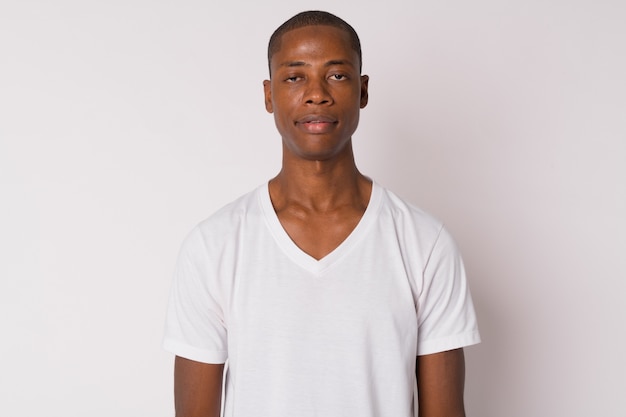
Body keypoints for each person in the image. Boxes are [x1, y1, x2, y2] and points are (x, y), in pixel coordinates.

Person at [163, 10, 480, 417]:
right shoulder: (215, 245)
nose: (317, 94)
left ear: (363, 91)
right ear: (268, 94)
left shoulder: (424, 242)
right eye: (295, 77)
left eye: (337, 75)